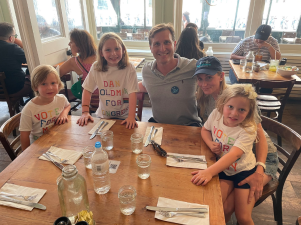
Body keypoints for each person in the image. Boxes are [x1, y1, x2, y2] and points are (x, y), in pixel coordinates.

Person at [194, 56, 278, 223]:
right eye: (200, 79)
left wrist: (259, 170)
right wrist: (211, 143)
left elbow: (259, 139)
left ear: (221, 76)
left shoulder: (241, 98)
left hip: (260, 159)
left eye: (209, 77)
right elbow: (208, 129)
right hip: (229, 162)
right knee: (216, 205)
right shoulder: (207, 101)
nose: (204, 83)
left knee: (233, 211)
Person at [192, 84, 259, 224]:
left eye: (241, 110)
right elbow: (205, 130)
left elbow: (234, 155)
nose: (234, 114)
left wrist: (209, 172)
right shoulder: (217, 114)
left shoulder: (248, 129)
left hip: (244, 172)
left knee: (243, 217)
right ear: (223, 104)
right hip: (223, 170)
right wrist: (210, 143)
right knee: (215, 206)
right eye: (230, 107)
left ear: (249, 112)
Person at [138, 23, 202, 126]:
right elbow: (143, 86)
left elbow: (214, 82)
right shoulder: (147, 71)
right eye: (157, 44)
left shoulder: (192, 66)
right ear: (150, 47)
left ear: (174, 44)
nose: (162, 49)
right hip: (159, 126)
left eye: (167, 42)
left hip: (189, 126)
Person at [76, 32, 139, 129]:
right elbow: (87, 89)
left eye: (117, 49)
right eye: (108, 50)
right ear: (101, 52)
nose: (113, 53)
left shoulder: (129, 68)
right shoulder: (96, 67)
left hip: (125, 117)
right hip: (104, 116)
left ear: (123, 50)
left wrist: (131, 116)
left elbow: (132, 93)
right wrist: (85, 112)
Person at [19, 65, 71, 150]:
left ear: (58, 84)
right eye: (44, 84)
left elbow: (68, 105)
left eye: (53, 83)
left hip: (58, 139)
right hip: (39, 146)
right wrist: (26, 156)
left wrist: (64, 114)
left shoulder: (61, 98)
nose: (49, 88)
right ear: (36, 87)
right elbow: (24, 136)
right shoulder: (29, 109)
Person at [59, 29, 97, 95]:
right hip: (109, 98)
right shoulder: (103, 55)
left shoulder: (74, 61)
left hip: (89, 101)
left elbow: (56, 74)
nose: (69, 44)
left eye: (71, 42)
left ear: (79, 45)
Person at [0, 22, 33, 98]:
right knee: (34, 79)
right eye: (15, 35)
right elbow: (31, 59)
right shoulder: (13, 48)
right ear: (11, 38)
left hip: (1, 92)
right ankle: (32, 105)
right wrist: (20, 43)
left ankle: (18, 105)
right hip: (15, 89)